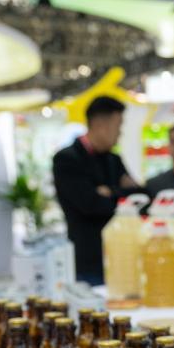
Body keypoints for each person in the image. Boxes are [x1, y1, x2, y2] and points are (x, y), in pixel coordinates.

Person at [52, 96, 139, 285]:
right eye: (118, 126)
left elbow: (140, 196)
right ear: (100, 125)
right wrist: (121, 194)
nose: (120, 133)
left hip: (121, 257)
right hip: (88, 262)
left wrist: (110, 192)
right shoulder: (67, 159)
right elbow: (90, 205)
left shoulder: (113, 159)